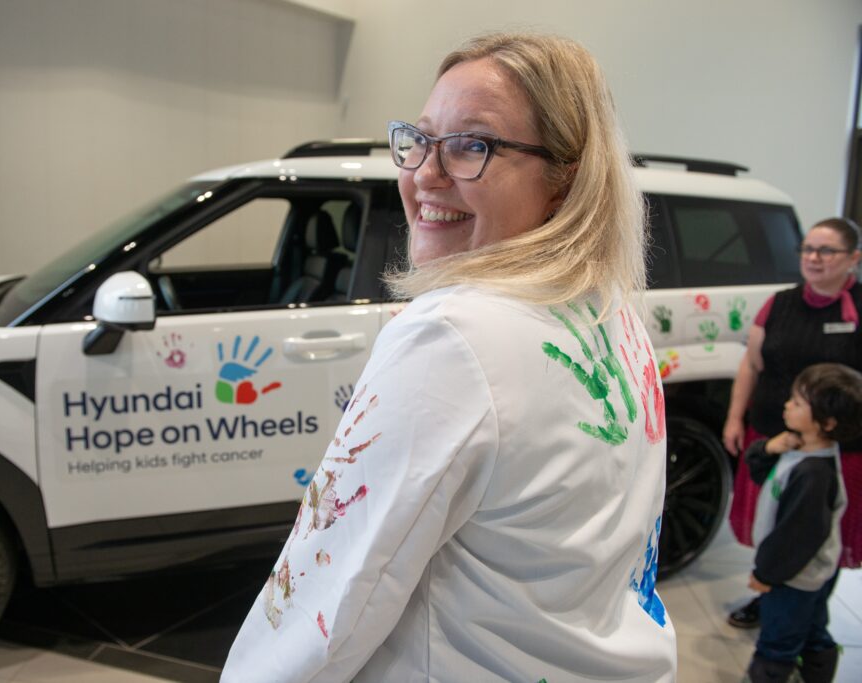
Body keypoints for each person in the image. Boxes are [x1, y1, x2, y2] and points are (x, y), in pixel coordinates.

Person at [221, 32, 676, 682]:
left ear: (562, 179)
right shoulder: (613, 314)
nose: (424, 174)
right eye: (421, 139)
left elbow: (331, 601)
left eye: (472, 145)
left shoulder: (453, 335)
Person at [722, 217, 862, 629]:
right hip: (775, 435)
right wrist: (734, 417)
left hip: (838, 449)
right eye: (807, 250)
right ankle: (769, 595)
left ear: (853, 258)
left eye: (826, 251)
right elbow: (751, 364)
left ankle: (808, 610)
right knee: (774, 522)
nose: (813, 258)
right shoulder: (780, 302)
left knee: (819, 532)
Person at [743, 363, 862, 683]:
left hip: (794, 577)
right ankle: (818, 671)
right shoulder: (801, 447)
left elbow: (796, 536)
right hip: (812, 571)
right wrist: (769, 448)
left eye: (797, 403)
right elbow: (760, 473)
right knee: (811, 630)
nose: (787, 404)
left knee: (777, 643)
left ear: (826, 422)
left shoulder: (813, 474)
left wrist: (765, 574)